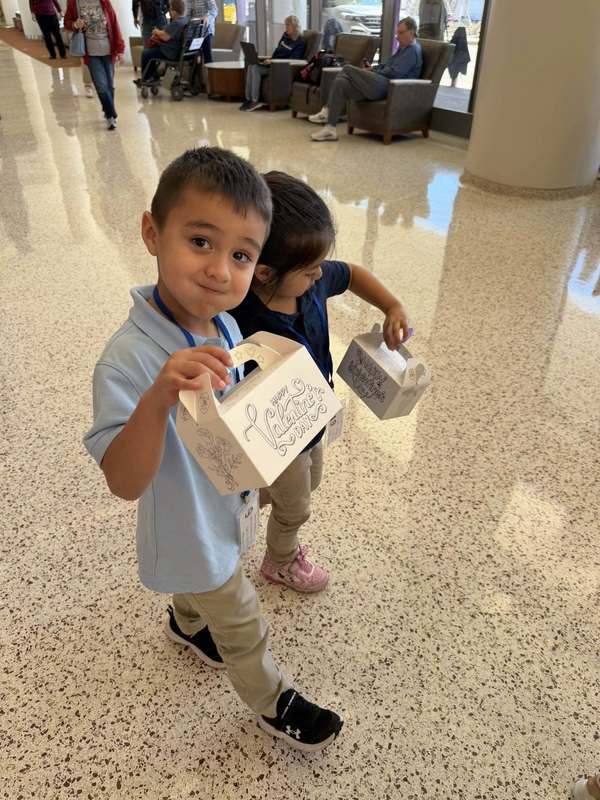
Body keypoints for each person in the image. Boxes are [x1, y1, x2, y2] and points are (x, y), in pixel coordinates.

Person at [83, 147, 344, 753]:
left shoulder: (223, 324)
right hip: (186, 520)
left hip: (226, 501)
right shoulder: (126, 361)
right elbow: (123, 480)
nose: (220, 271)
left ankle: (184, 620)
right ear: (152, 232)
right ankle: (272, 699)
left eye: (241, 255)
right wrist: (157, 399)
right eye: (200, 241)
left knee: (207, 583)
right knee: (241, 616)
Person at [230, 171, 411, 592]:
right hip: (272, 432)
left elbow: (352, 273)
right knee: (296, 505)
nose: (319, 276)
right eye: (310, 271)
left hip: (311, 417)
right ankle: (281, 560)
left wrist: (392, 304)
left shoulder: (310, 283)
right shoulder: (238, 311)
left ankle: (244, 501)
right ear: (264, 272)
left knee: (310, 479)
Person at [309, 16, 422, 141]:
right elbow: (386, 65)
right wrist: (372, 68)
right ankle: (330, 129)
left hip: (390, 87)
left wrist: (373, 71)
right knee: (341, 83)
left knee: (347, 69)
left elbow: (394, 73)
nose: (397, 36)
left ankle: (327, 110)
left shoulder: (413, 51)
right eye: (397, 32)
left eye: (400, 33)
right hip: (380, 82)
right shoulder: (403, 48)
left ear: (411, 33)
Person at [64, 0, 124, 131]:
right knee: (101, 86)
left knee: (109, 85)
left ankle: (107, 110)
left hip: (108, 50)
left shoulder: (104, 2)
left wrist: (120, 50)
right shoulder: (74, 3)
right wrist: (74, 24)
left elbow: (114, 25)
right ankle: (110, 115)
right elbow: (66, 23)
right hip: (91, 53)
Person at [240, 14, 305, 112]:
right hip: (273, 64)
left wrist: (273, 61)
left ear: (295, 27)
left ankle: (255, 101)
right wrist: (270, 59)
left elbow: (294, 59)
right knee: (251, 66)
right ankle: (248, 99)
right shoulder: (285, 36)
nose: (286, 27)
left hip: (282, 68)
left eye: (288, 25)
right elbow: (277, 52)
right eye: (285, 25)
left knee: (256, 69)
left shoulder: (300, 42)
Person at [135, 0, 187, 85]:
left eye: (170, 9)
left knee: (146, 53)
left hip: (170, 53)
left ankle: (147, 78)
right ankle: (154, 76)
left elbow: (165, 37)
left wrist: (156, 31)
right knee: (152, 51)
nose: (169, 11)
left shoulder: (176, 23)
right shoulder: (184, 20)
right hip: (179, 51)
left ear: (174, 11)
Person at [186, 0, 217, 65]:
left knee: (207, 56)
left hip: (206, 30)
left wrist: (207, 18)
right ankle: (195, 73)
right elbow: (188, 15)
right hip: (194, 31)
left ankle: (211, 73)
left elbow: (214, 11)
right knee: (192, 57)